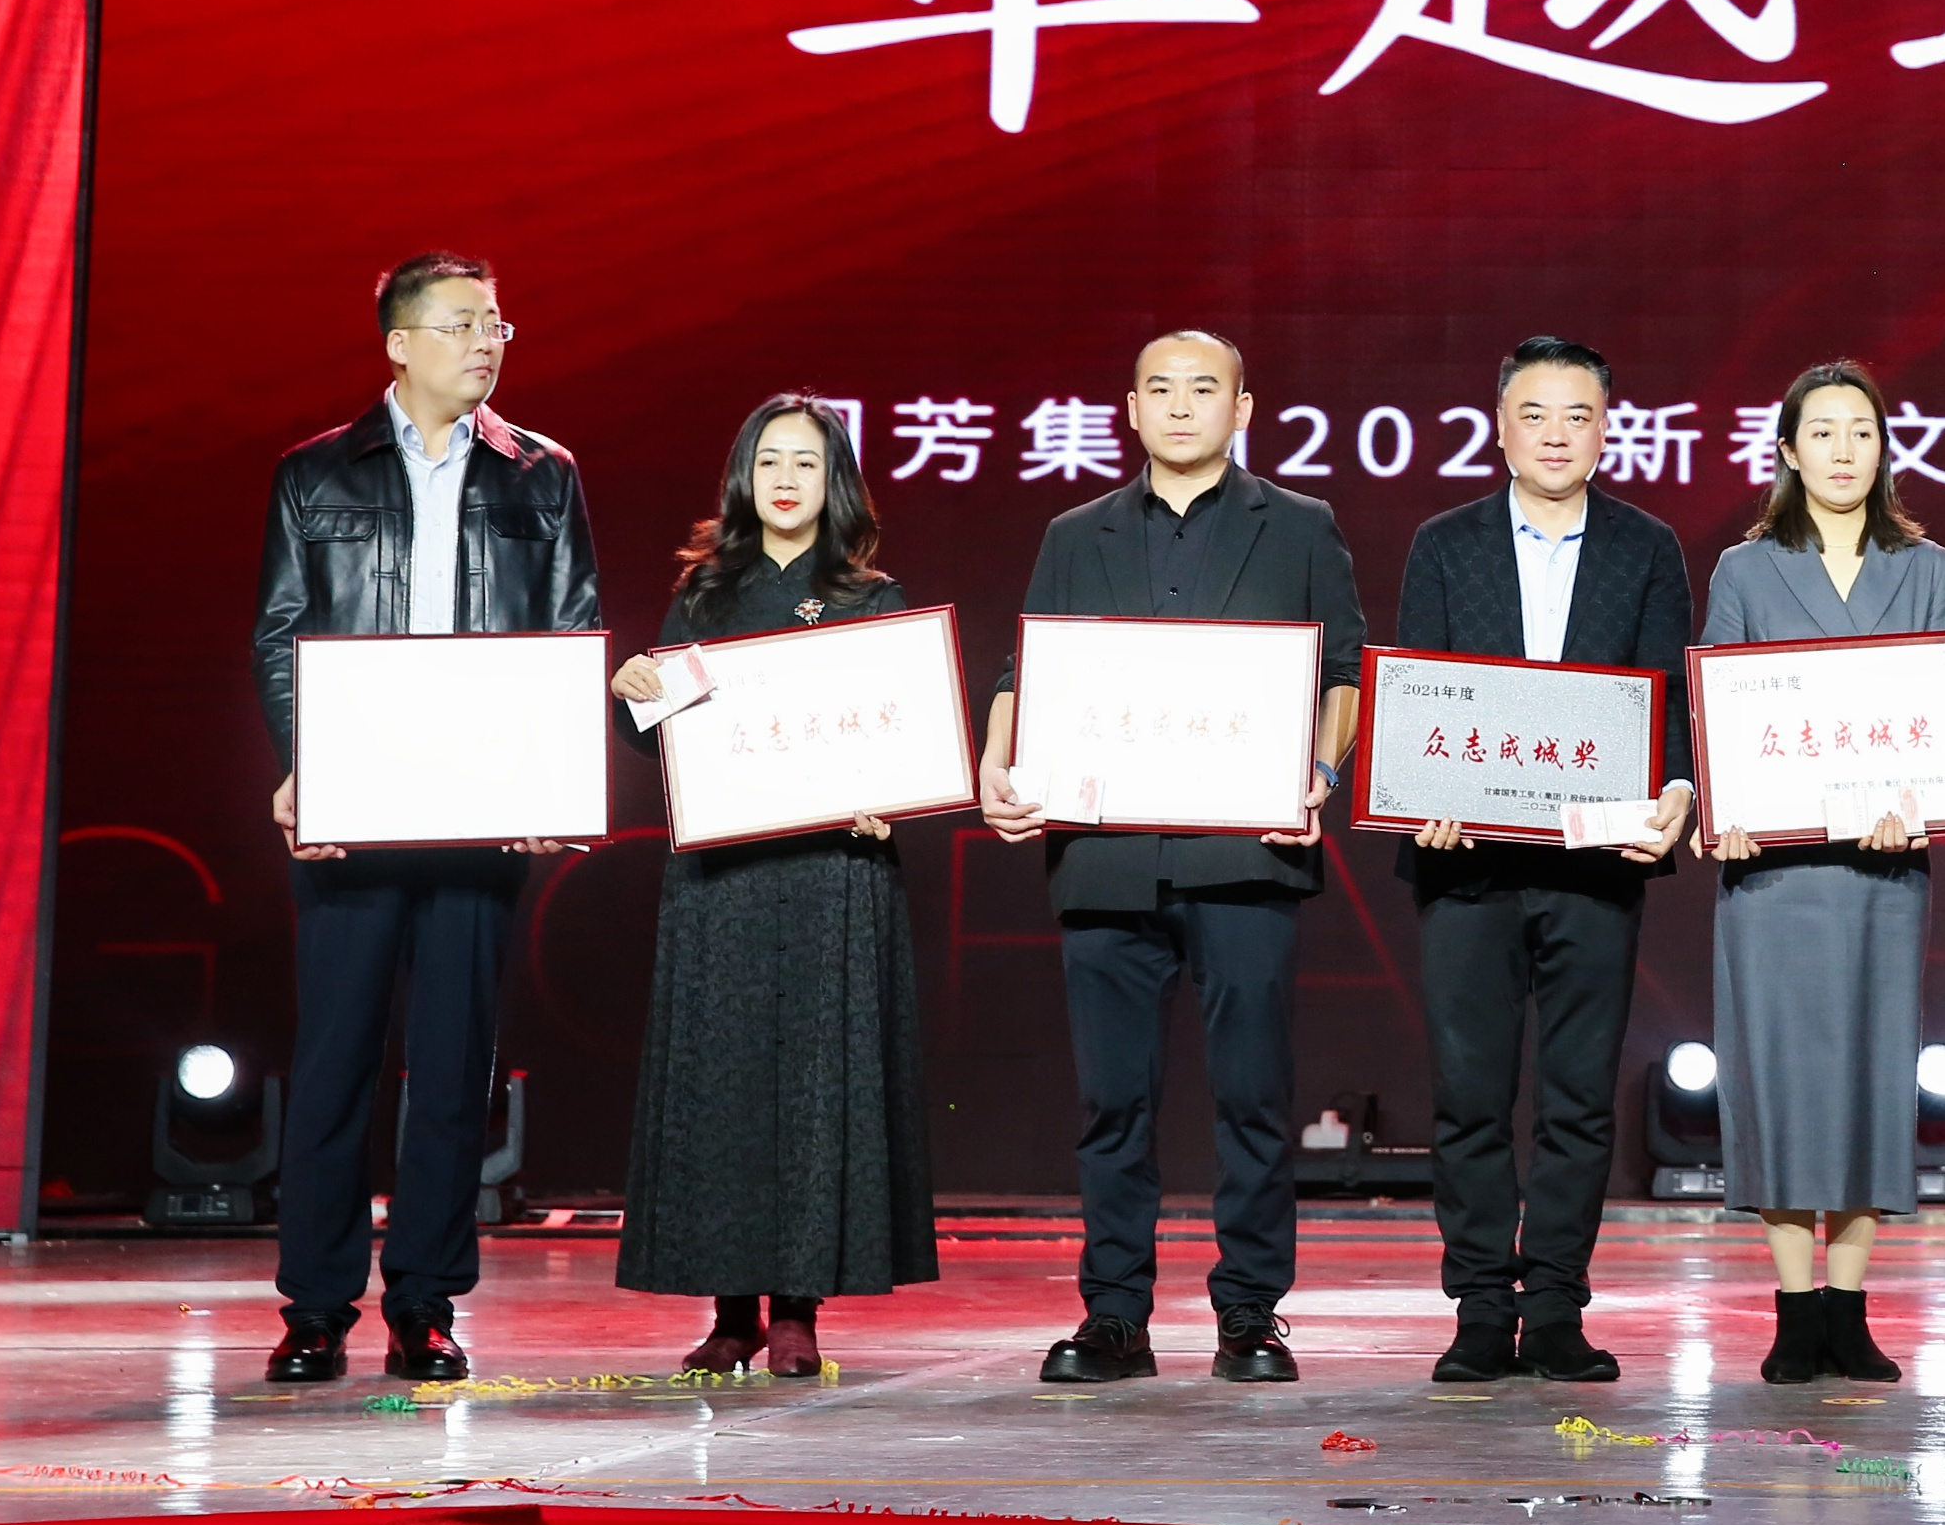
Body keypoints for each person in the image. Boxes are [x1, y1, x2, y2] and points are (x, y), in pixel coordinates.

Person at [979, 329, 1367, 1386]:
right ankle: (1114, 1315)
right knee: (1114, 1100)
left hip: (1245, 850)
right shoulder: (1076, 532)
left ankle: (1250, 1311)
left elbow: (1343, 670)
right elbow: (1029, 668)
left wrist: (1317, 773)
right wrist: (997, 762)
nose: (1182, 405)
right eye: (1160, 387)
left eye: (1204, 388)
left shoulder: (1299, 524)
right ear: (1132, 409)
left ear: (1243, 407)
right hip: (1108, 856)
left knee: (1252, 1094)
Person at [251, 253, 599, 1385]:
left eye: (496, 324)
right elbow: (281, 634)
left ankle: (425, 1303)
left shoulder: (542, 472)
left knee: (453, 1069)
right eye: (460, 324)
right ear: (399, 344)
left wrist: (553, 782)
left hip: (480, 815)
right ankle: (315, 1306)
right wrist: (308, 768)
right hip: (357, 813)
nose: (486, 342)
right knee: (335, 1061)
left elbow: (571, 631)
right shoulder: (315, 472)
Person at [609, 396, 938, 1374]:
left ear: (836, 482)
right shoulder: (704, 595)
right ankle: (732, 1308)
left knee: (816, 1084)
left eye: (806, 461)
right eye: (768, 461)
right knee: (725, 1082)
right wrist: (633, 693)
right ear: (743, 480)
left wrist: (896, 798)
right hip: (725, 875)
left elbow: (910, 735)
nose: (786, 478)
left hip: (834, 873)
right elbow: (663, 735)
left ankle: (797, 1306)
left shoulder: (873, 598)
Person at [1392, 335, 1698, 1383]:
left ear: (1607, 428)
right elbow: (1418, 694)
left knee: (1577, 1097)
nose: (1556, 433)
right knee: (1470, 1095)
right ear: (1500, 426)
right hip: (1466, 864)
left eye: (1578, 414)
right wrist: (1421, 799)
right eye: (1535, 412)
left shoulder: (1646, 545)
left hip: (1596, 861)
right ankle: (1482, 1306)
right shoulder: (1445, 542)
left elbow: (1666, 697)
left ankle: (1557, 1304)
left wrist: (1676, 792)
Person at [1702, 362, 1945, 1387]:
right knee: (1777, 1079)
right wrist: (1726, 809)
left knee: (1867, 1074)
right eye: (1823, 432)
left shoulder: (1927, 566)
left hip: (1881, 869)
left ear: (1884, 448)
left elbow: (1944, 711)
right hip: (1773, 875)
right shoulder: (1745, 568)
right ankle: (1792, 1311)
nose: (1844, 450)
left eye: (1862, 431)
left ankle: (1849, 1311)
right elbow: (1719, 714)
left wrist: (1924, 801)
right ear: (1788, 451)